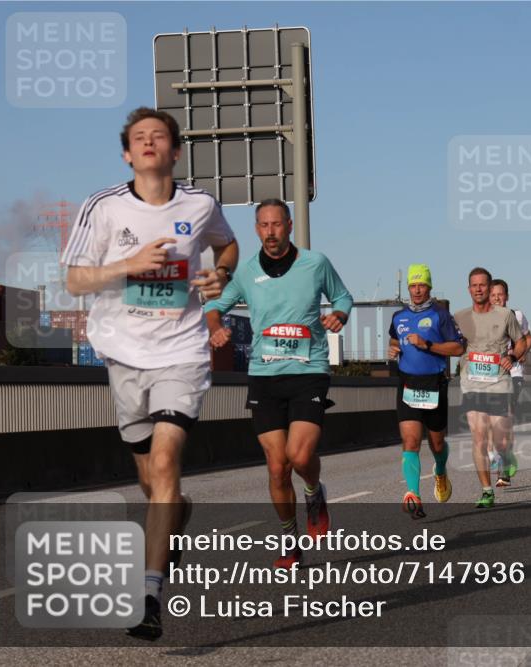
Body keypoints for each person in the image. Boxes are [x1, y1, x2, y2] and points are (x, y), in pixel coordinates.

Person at [62, 107, 238, 640]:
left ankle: (149, 594)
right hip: (123, 353)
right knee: (150, 480)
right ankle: (175, 515)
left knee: (165, 461)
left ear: (175, 151)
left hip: (181, 351)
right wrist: (127, 265)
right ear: (126, 153)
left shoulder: (200, 204)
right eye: (138, 137)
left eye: (158, 136)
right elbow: (73, 282)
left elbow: (226, 244)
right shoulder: (104, 207)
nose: (147, 143)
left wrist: (220, 273)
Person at [205, 199, 352, 570]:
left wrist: (339, 314)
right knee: (276, 467)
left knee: (300, 457)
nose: (270, 232)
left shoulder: (315, 263)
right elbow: (213, 306)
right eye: (263, 225)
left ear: (288, 226)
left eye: (276, 224)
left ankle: (314, 493)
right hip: (265, 377)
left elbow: (344, 296)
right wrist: (215, 328)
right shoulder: (247, 272)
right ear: (256, 229)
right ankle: (289, 539)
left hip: (308, 372)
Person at [387, 264, 465, 518]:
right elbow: (394, 340)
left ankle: (440, 472)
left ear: (429, 287)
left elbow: (458, 348)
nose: (417, 290)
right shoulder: (398, 317)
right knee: (410, 441)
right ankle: (413, 494)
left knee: (437, 442)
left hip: (434, 383)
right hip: (408, 383)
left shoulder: (440, 315)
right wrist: (393, 351)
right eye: (413, 285)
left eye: (421, 285)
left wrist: (428, 344)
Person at [454, 268, 527, 508]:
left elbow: (521, 342)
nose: (478, 289)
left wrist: (514, 357)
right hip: (472, 384)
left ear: (488, 287)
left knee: (500, 441)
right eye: (473, 285)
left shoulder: (506, 315)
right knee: (478, 439)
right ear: (468, 289)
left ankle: (505, 459)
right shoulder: (461, 317)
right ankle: (486, 491)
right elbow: (454, 346)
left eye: (482, 285)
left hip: (499, 383)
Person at [488, 279, 531, 486]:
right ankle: (503, 455)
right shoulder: (483, 318)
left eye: (500, 294)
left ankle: (503, 469)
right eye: (493, 295)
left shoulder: (517, 315)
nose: (497, 298)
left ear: (507, 296)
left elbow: (528, 339)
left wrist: (520, 352)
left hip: (513, 373)